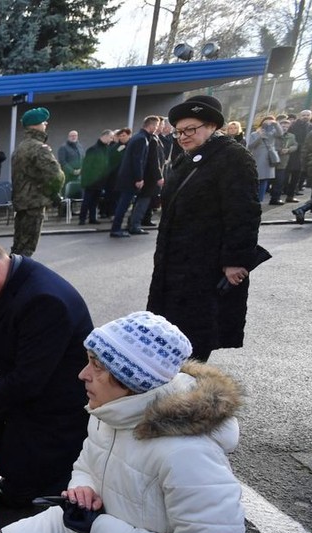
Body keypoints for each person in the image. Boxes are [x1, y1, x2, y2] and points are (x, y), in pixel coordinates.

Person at [0, 311, 245, 533]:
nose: (82, 375)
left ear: (131, 380)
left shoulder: (187, 455)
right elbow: (87, 462)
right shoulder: (115, 411)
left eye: (97, 366)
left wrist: (100, 528)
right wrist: (83, 487)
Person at [0, 235, 93, 507]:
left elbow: (28, 382)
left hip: (55, 405)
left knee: (17, 497)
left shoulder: (44, 299)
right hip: (31, 386)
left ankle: (34, 476)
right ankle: (17, 467)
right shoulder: (13, 279)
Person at [147, 94, 261, 362]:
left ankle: (188, 393)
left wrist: (235, 260)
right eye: (178, 132)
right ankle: (174, 386)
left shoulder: (233, 157)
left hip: (205, 264)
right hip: (175, 261)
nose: (183, 137)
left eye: (190, 130)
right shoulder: (188, 158)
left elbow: (244, 211)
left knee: (194, 332)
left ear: (212, 126)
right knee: (170, 331)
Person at [10, 107, 64, 257]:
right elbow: (56, 175)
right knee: (27, 249)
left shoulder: (21, 147)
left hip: (22, 202)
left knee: (18, 247)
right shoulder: (38, 148)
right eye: (43, 122)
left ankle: (13, 277)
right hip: (34, 203)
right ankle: (19, 279)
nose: (45, 124)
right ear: (36, 125)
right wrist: (53, 193)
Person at [109, 116, 164, 238]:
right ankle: (115, 229)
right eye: (155, 126)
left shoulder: (138, 137)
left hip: (127, 177)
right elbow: (138, 160)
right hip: (130, 179)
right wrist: (139, 178)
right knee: (123, 205)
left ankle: (117, 228)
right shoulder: (142, 139)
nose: (156, 129)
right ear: (150, 125)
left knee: (123, 205)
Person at [78, 130, 113, 225]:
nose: (111, 140)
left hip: (100, 180)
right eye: (110, 137)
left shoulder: (106, 149)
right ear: (105, 136)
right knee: (87, 200)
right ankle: (82, 218)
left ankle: (92, 218)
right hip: (92, 180)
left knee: (95, 201)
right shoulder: (93, 149)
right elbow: (87, 165)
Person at [246, 115, 280, 203]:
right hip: (257, 158)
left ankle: (259, 200)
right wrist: (260, 137)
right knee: (255, 179)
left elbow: (280, 133)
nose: (268, 124)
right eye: (266, 122)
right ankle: (251, 199)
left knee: (264, 180)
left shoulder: (273, 133)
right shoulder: (255, 134)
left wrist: (275, 124)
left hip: (268, 159)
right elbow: (250, 146)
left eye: (271, 122)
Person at [285, 109, 312, 201]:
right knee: (287, 174)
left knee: (297, 175)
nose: (305, 117)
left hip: (304, 154)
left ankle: (291, 195)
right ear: (300, 116)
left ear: (311, 116)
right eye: (303, 115)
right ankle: (284, 193)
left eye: (307, 115)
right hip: (292, 153)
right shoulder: (293, 126)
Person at [271, 117, 297, 206]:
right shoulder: (274, 134)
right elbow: (270, 144)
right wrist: (279, 149)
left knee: (280, 181)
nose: (285, 127)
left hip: (283, 162)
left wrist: (289, 150)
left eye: (287, 126)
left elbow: (295, 145)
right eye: (283, 125)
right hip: (271, 160)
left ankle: (275, 198)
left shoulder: (291, 136)